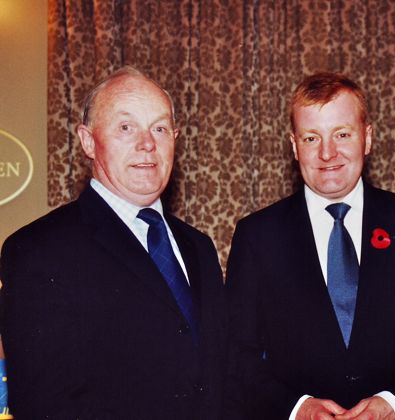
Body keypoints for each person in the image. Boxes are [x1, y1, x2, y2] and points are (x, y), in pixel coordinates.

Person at [225, 72, 395, 420]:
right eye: (311, 138)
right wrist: (297, 408)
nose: (327, 153)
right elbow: (236, 353)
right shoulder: (257, 235)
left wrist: (394, 405)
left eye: (342, 134)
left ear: (367, 138)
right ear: (294, 146)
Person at [0, 66, 227, 419]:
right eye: (126, 127)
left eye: (160, 128)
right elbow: (45, 404)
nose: (147, 143)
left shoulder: (199, 247)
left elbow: (221, 377)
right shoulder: (38, 250)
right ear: (88, 142)